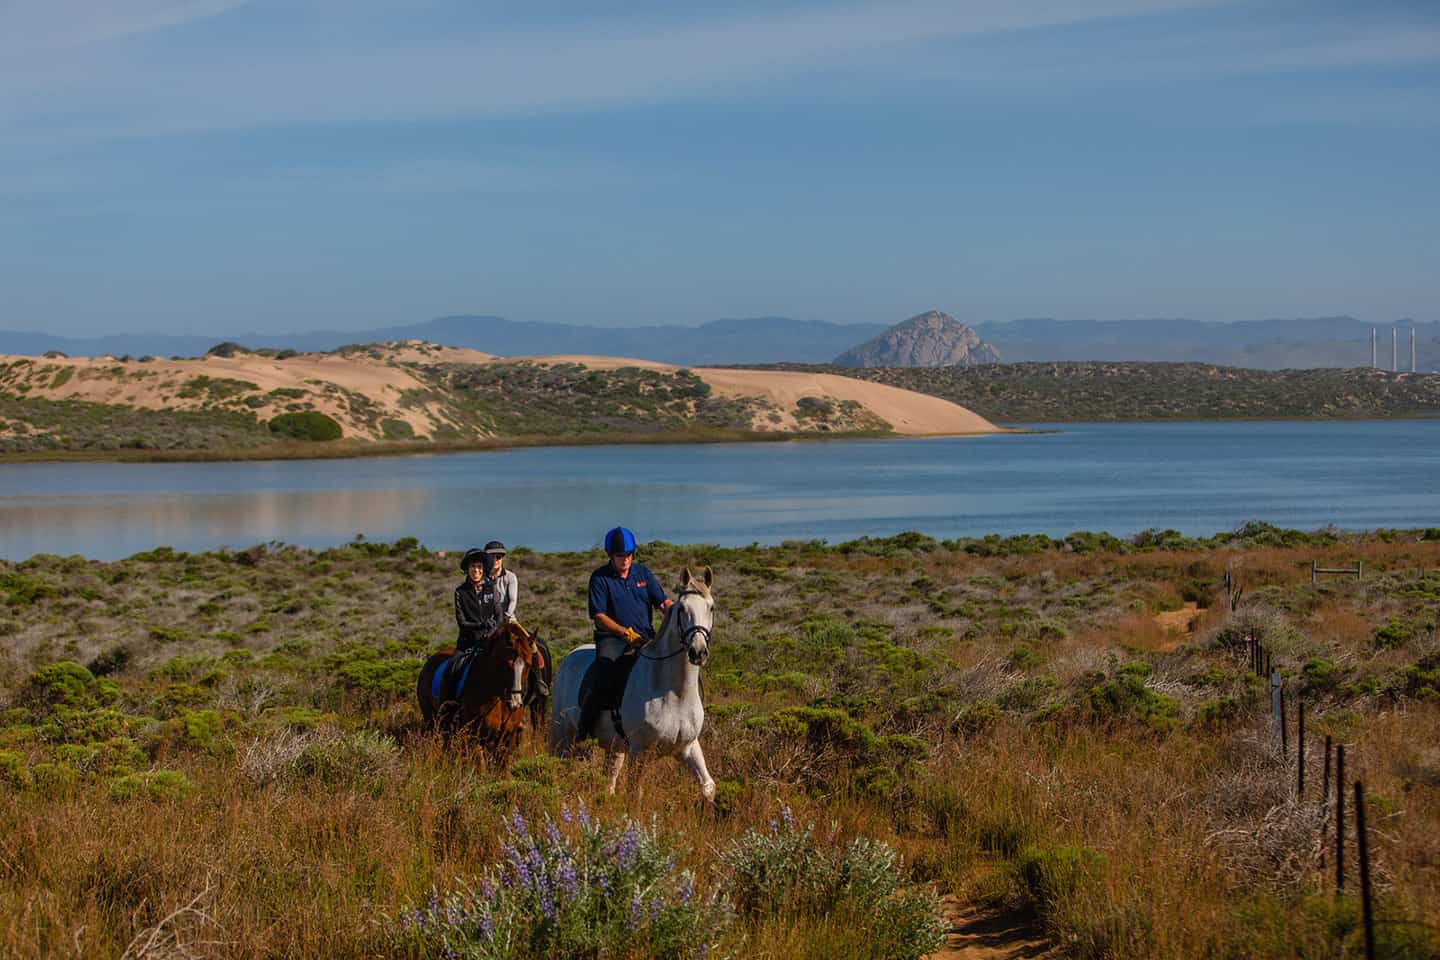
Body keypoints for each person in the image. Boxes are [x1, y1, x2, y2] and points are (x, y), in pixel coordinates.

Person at [578, 526, 672, 738]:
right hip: (613, 640)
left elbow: (663, 602)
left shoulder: (643, 573)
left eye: (629, 555)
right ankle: (584, 730)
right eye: (621, 556)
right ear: (610, 555)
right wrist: (626, 634)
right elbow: (599, 617)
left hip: (645, 637)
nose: (626, 560)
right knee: (603, 674)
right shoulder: (600, 578)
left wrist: (677, 612)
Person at [454, 540, 518, 655]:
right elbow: (462, 623)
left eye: (479, 567)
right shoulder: (460, 592)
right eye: (473, 566)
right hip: (467, 641)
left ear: (483, 569)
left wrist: (491, 632)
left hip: (492, 637)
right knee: (453, 667)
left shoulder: (493, 587)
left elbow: (499, 613)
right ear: (467, 569)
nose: (476, 570)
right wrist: (481, 625)